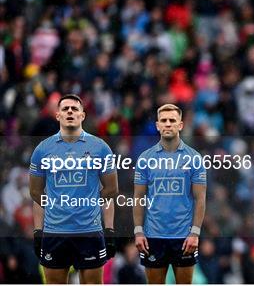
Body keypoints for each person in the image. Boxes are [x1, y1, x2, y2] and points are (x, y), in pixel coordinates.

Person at [29, 94, 118, 284]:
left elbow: (110, 190)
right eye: (65, 109)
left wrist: (109, 230)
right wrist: (38, 231)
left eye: (75, 109)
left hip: (89, 231)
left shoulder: (100, 148)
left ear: (83, 116)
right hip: (55, 232)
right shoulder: (42, 150)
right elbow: (37, 194)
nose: (70, 111)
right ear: (57, 115)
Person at [133, 104, 206, 284]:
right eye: (163, 121)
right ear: (157, 125)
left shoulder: (194, 158)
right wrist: (138, 231)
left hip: (184, 237)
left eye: (172, 120)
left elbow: (200, 198)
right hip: (153, 236)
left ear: (180, 125)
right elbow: (138, 198)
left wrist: (195, 233)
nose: (167, 124)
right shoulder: (145, 159)